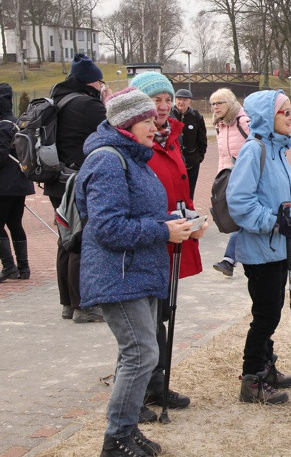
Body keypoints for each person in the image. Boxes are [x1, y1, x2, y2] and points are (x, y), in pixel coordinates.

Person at [76, 87, 195, 457]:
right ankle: (117, 438)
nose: (154, 123)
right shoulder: (108, 160)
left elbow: (140, 212)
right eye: (145, 119)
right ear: (127, 123)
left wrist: (180, 222)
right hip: (119, 275)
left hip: (139, 270)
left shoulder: (134, 157)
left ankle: (126, 432)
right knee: (141, 353)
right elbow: (108, 227)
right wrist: (164, 231)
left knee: (143, 352)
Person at [224, 89, 291, 405]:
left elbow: (275, 198)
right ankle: (252, 379)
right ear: (265, 118)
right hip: (261, 249)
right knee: (265, 315)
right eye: (284, 111)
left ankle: (266, 367)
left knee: (271, 312)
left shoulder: (277, 150)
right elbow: (240, 202)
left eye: (290, 110)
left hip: (277, 246)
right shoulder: (254, 150)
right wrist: (274, 222)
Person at [130, 72, 204, 417]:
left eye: (166, 99)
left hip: (172, 235)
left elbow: (177, 185)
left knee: (161, 313)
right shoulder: (138, 141)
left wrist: (191, 217)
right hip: (148, 239)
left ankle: (156, 384)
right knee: (145, 322)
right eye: (154, 100)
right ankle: (140, 389)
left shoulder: (170, 135)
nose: (162, 106)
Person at [44, 53, 108, 323]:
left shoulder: (59, 99)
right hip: (77, 180)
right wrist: (105, 102)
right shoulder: (88, 105)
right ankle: (84, 305)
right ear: (91, 82)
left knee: (65, 239)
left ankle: (68, 304)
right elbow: (113, 128)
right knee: (82, 240)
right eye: (99, 82)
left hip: (55, 180)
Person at [208, 88, 250, 277]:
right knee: (235, 216)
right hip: (228, 177)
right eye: (212, 104)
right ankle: (236, 258)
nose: (215, 107)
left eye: (219, 103)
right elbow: (223, 155)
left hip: (246, 177)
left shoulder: (244, 122)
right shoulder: (220, 124)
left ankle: (229, 259)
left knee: (240, 216)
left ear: (230, 103)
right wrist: (220, 177)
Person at [0, 83, 34, 282]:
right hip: (19, 183)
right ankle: (24, 268)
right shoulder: (16, 122)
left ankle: (10, 266)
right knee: (15, 224)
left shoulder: (2, 125)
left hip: (5, 186)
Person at [170, 88, 207, 200]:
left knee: (189, 193)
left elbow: (202, 139)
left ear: (190, 101)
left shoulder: (196, 116)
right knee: (174, 192)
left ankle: (189, 213)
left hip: (192, 161)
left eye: (184, 100)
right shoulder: (169, 115)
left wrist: (199, 157)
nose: (181, 102)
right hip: (174, 161)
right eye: (179, 99)